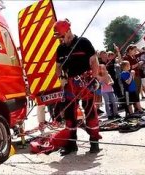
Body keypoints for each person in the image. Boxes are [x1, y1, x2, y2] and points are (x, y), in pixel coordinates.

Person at [52, 19, 102, 155]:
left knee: (90, 112)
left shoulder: (83, 42)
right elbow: (58, 68)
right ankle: (71, 144)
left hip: (86, 82)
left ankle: (94, 142)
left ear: (68, 31)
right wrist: (60, 77)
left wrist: (95, 78)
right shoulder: (60, 48)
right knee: (69, 115)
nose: (61, 39)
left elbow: (94, 61)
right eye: (59, 37)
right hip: (70, 85)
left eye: (62, 36)